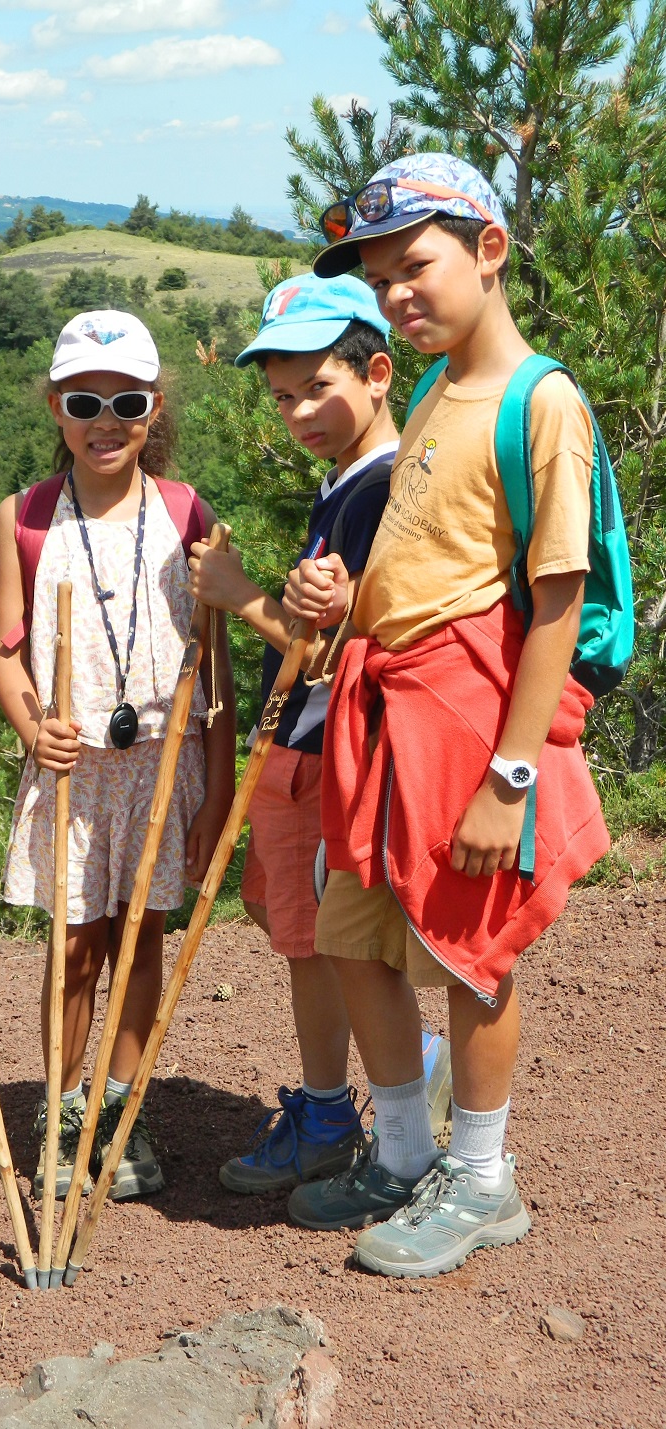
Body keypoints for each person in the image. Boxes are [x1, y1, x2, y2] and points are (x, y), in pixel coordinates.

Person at [282, 154, 610, 1276]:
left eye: (413, 266)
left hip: (467, 726)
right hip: (384, 713)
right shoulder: (428, 388)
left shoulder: (539, 401)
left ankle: (480, 1178)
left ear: (487, 248)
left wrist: (508, 777)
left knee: (470, 956)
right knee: (357, 936)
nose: (397, 296)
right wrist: (338, 597)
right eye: (379, 281)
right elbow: (416, 553)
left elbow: (556, 597)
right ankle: (405, 1147)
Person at [187, 273, 450, 1196]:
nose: (297, 410)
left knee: (310, 940)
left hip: (321, 749)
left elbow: (338, 652)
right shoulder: (347, 483)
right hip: (304, 749)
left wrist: (238, 595)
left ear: (378, 373)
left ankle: (330, 1109)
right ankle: (402, 1052)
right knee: (281, 911)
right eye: (282, 395)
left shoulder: (376, 492)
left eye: (317, 388)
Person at [0, 310, 235, 1201]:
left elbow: (214, 662)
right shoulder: (22, 517)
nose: (105, 420)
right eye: (85, 401)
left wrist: (220, 786)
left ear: (153, 407)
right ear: (56, 406)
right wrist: (30, 725)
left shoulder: (186, 513)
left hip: (164, 770)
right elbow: (7, 653)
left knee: (140, 944)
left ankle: (118, 1113)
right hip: (72, 770)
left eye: (125, 401)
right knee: (74, 948)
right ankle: (62, 1115)